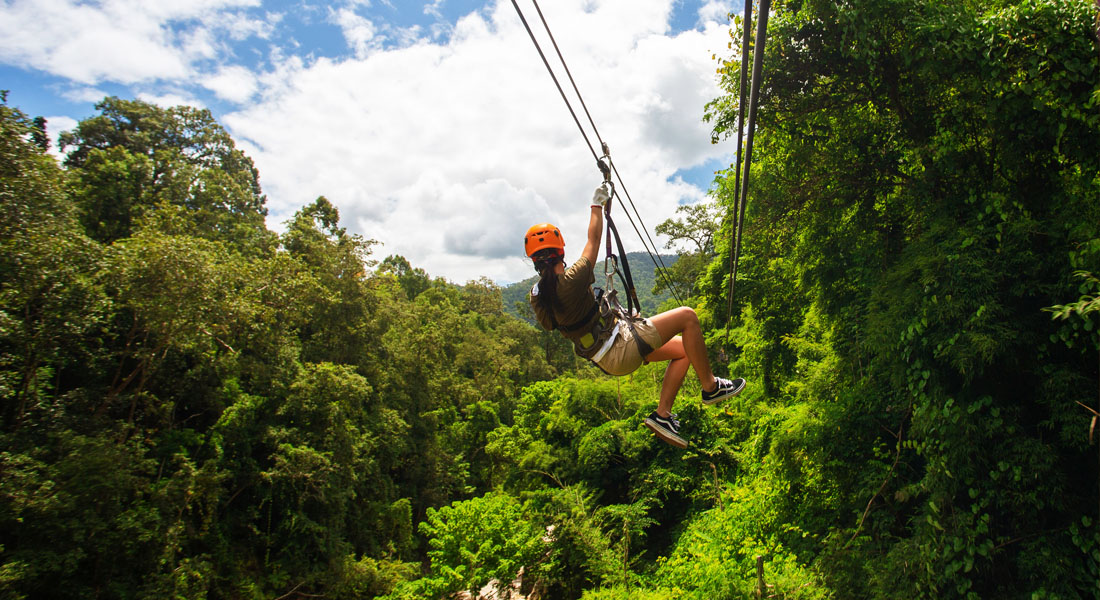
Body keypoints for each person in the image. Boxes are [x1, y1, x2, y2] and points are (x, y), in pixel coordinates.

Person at [525, 184, 746, 448]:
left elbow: (560, 323)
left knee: (685, 350)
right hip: (620, 348)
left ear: (534, 261)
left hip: (606, 355)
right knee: (688, 317)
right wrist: (596, 205)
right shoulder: (572, 279)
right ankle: (710, 387)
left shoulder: (537, 296)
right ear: (561, 251)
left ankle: (663, 415)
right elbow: (593, 240)